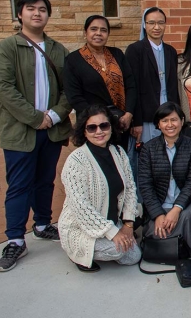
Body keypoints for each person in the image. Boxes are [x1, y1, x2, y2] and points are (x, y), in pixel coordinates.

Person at [0, 0, 73, 272]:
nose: (37, 14)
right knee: (18, 184)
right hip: (21, 130)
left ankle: (42, 223)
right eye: (31, 9)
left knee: (45, 179)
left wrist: (53, 115)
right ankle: (16, 239)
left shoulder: (57, 49)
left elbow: (69, 89)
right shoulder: (8, 47)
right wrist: (34, 118)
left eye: (42, 10)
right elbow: (4, 88)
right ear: (20, 15)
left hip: (51, 128)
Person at [58, 105, 140, 272]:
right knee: (118, 251)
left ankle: (106, 243)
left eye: (104, 125)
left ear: (111, 127)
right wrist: (114, 233)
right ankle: (77, 253)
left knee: (133, 257)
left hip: (112, 221)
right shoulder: (77, 161)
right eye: (92, 127)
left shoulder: (118, 152)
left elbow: (130, 188)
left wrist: (128, 225)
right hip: (80, 228)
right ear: (84, 131)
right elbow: (81, 207)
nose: (99, 131)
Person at [138, 102, 191, 256]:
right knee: (158, 230)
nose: (170, 125)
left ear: (181, 120)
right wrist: (158, 214)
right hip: (158, 204)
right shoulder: (148, 148)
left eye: (174, 120)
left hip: (183, 205)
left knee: (188, 216)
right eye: (164, 121)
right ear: (158, 124)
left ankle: (189, 254)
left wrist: (176, 208)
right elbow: (145, 185)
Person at [64, 15, 137, 147]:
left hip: (120, 123)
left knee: (119, 162)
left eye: (103, 30)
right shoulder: (73, 60)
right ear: (85, 32)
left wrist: (129, 114)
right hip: (93, 126)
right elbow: (74, 97)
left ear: (108, 34)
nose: (98, 33)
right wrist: (98, 119)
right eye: (94, 29)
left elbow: (131, 86)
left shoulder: (117, 54)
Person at [125, 7, 179, 177]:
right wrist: (136, 121)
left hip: (168, 113)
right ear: (144, 25)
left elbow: (173, 86)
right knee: (148, 160)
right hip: (147, 116)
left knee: (169, 157)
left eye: (161, 23)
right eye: (152, 23)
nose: (156, 27)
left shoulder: (170, 51)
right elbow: (132, 87)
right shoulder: (135, 50)